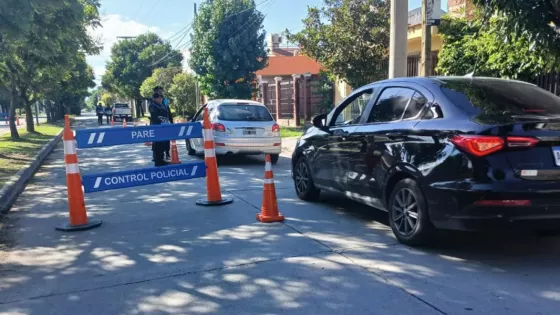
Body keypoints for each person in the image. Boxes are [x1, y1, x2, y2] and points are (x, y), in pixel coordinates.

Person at [149, 92, 171, 166]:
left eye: (161, 98)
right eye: (159, 98)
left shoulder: (162, 105)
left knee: (163, 144)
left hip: (164, 126)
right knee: (157, 144)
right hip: (157, 127)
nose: (160, 99)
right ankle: (158, 160)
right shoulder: (153, 106)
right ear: (154, 98)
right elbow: (155, 118)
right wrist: (159, 124)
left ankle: (161, 159)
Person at [153, 86, 173, 160]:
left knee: (167, 139)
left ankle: (167, 153)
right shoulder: (153, 100)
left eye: (161, 92)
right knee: (156, 140)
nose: (160, 93)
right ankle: (156, 156)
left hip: (166, 122)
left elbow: (168, 110)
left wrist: (171, 121)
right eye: (158, 92)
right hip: (157, 123)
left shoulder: (165, 100)